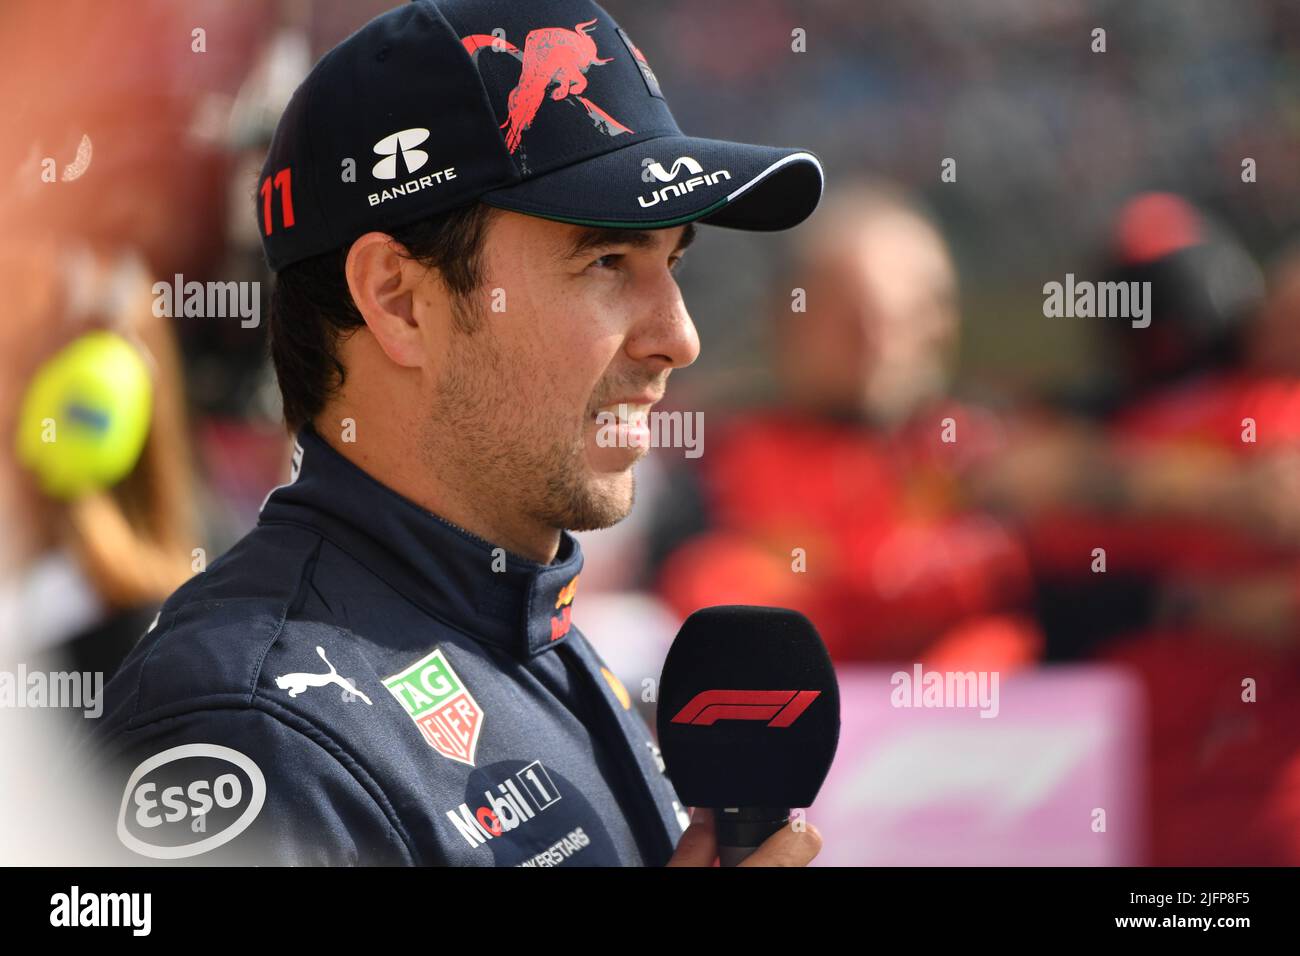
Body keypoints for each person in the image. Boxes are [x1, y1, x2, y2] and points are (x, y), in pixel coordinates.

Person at [89, 0, 825, 867]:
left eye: (673, 262)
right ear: (399, 301)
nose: (678, 336)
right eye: (607, 262)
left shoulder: (524, 627)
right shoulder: (250, 734)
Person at [651, 182, 1039, 670]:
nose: (883, 341)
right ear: (786, 317)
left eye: (916, 311)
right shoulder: (712, 465)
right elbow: (702, 596)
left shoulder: (990, 455)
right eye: (853, 315)